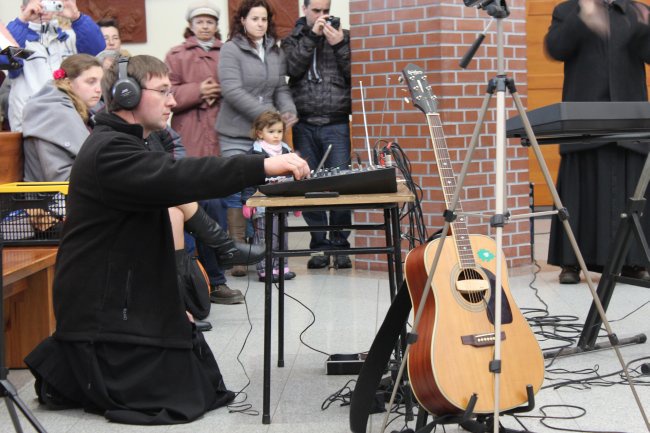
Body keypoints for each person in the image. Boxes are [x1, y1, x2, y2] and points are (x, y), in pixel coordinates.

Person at [23, 54, 309, 424]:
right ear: (127, 95)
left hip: (124, 292)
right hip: (99, 306)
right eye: (163, 91)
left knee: (203, 384)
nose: (173, 101)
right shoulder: (110, 150)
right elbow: (181, 176)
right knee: (181, 398)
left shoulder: (132, 142)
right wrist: (261, 164)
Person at [545, 0, 650, 283]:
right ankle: (571, 263)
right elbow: (555, 48)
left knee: (632, 188)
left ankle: (633, 262)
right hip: (584, 118)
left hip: (630, 117)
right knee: (580, 187)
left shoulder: (636, 11)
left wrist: (644, 29)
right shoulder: (567, 10)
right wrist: (583, 18)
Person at [216, 0, 297, 277]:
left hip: (268, 135)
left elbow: (281, 87)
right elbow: (231, 90)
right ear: (242, 21)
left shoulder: (275, 48)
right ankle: (237, 253)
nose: (260, 24)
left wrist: (287, 110)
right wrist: (269, 115)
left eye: (264, 19)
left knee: (266, 187)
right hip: (236, 132)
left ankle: (269, 253)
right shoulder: (230, 49)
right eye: (255, 18)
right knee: (235, 193)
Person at [282, 0, 353, 269]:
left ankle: (341, 246)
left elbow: (354, 74)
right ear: (305, 10)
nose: (322, 16)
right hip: (304, 123)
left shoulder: (344, 38)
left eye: (326, 11)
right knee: (309, 185)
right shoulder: (292, 40)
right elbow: (291, 68)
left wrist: (339, 46)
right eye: (316, 11)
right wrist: (312, 36)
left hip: (336, 122)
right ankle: (320, 247)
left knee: (341, 185)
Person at [6, 0, 105, 131]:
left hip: (69, 118)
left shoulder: (67, 37)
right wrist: (23, 20)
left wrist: (77, 17)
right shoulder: (22, 41)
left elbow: (96, 54)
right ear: (23, 8)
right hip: (30, 123)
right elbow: (5, 61)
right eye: (38, 3)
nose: (42, 8)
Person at [22, 54, 102, 182]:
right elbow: (60, 175)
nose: (99, 89)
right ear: (68, 83)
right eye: (91, 82)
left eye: (101, 82)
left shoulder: (72, 109)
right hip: (49, 198)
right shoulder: (54, 112)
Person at [243, 111, 298, 282]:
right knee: (265, 238)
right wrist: (247, 202)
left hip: (282, 202)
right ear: (260, 133)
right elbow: (247, 179)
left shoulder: (286, 150)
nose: (276, 136)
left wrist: (297, 201)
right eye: (271, 131)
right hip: (262, 204)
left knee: (282, 235)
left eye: (279, 131)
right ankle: (265, 270)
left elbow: (294, 176)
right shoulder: (254, 154)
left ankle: (281, 267)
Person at [165, 0, 223, 158]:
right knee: (191, 174)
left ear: (216, 26)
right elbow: (167, 93)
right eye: (199, 22)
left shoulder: (228, 53)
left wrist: (221, 90)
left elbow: (239, 85)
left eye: (210, 22)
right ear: (191, 26)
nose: (205, 26)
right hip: (189, 128)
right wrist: (199, 90)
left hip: (222, 124)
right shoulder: (176, 55)